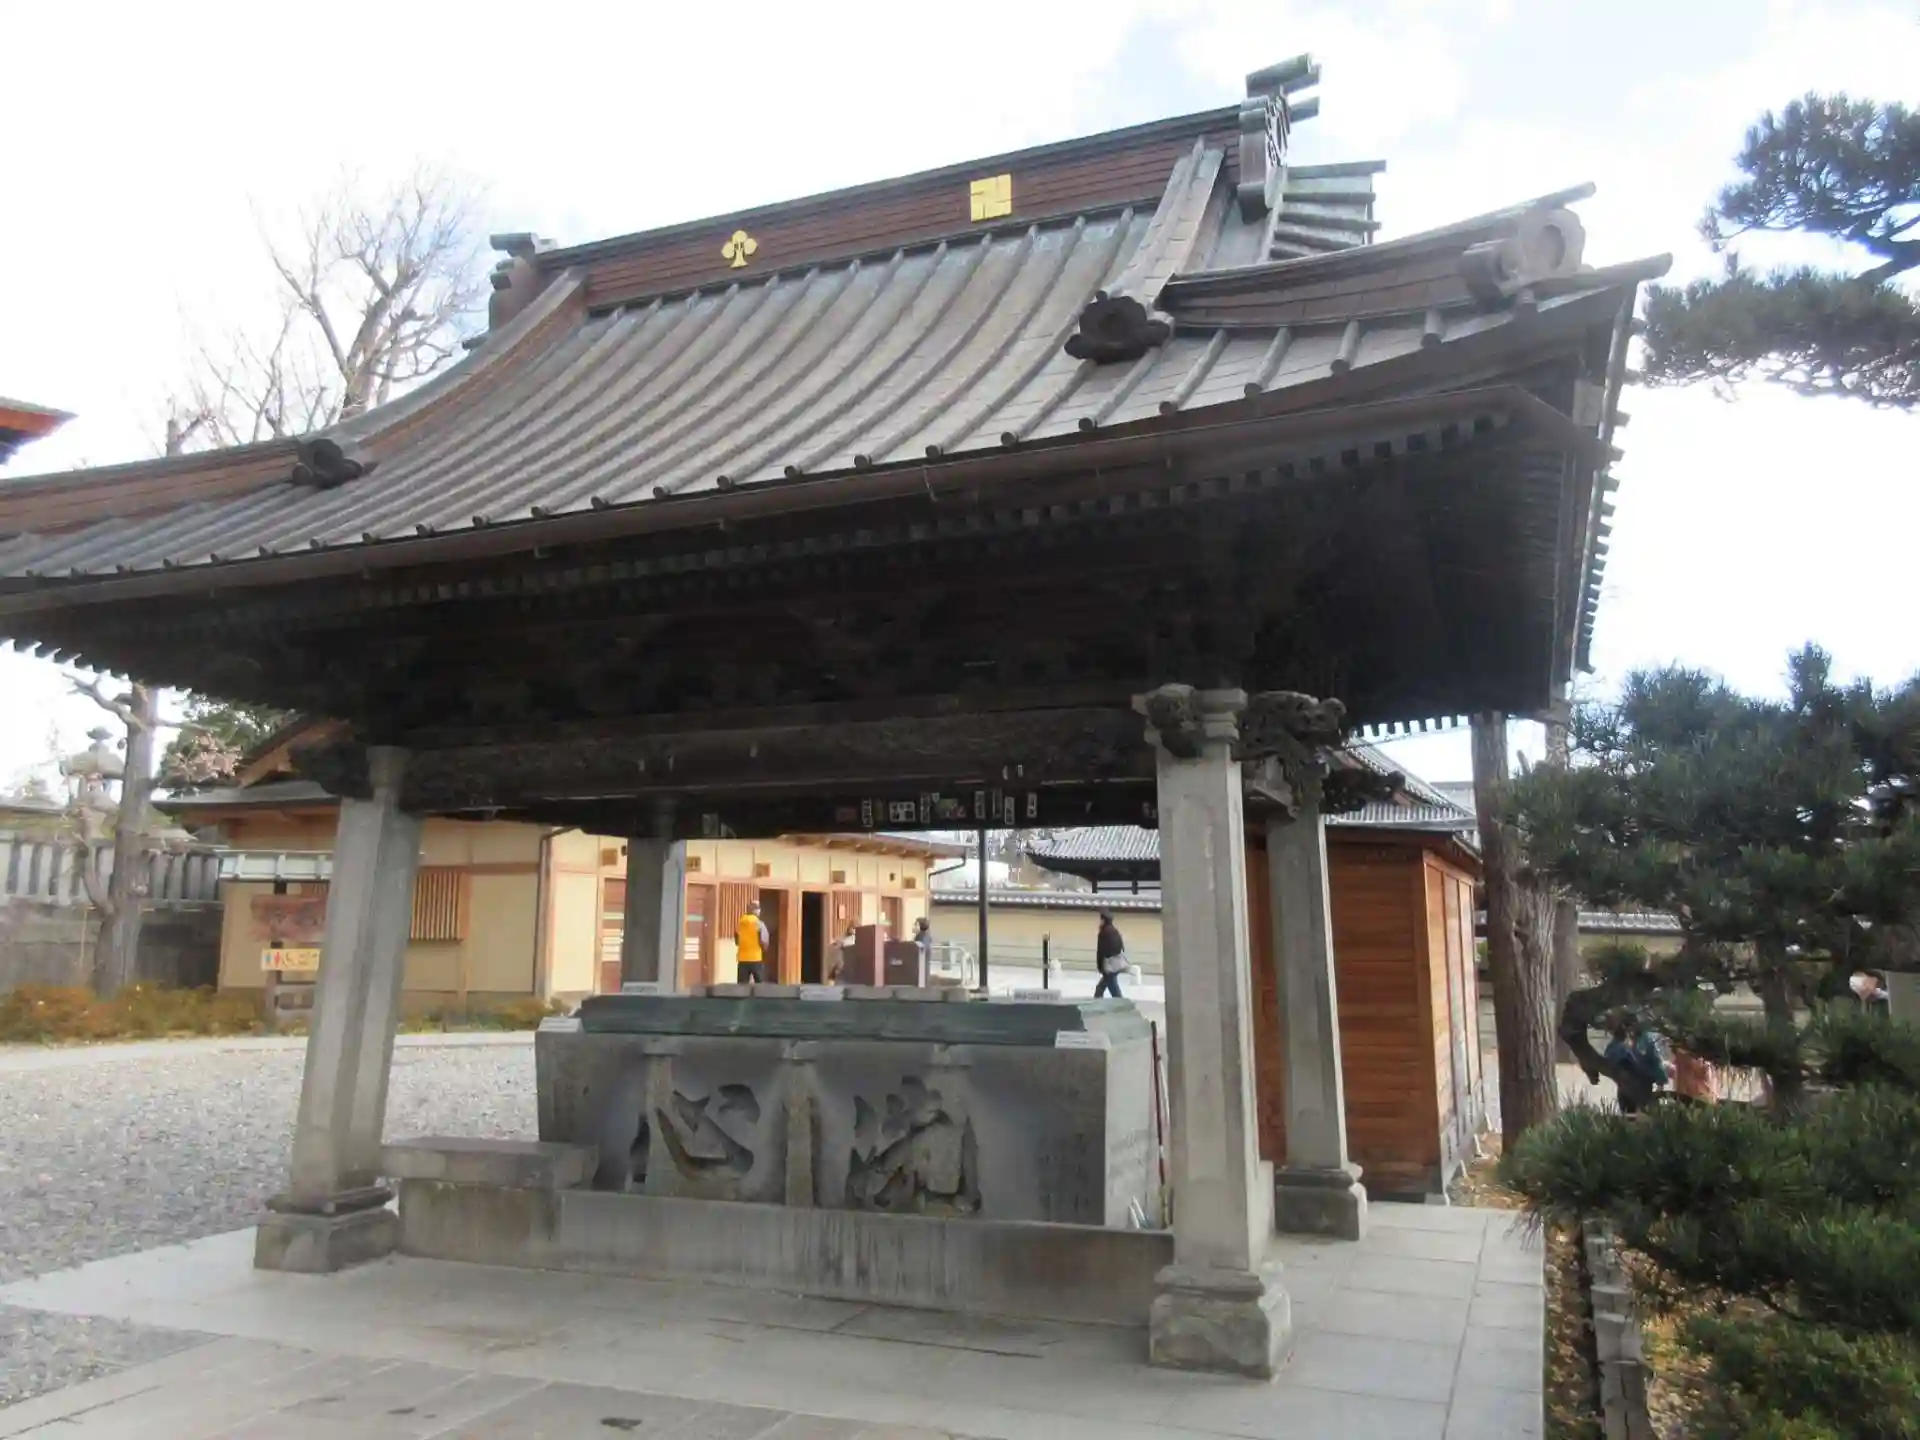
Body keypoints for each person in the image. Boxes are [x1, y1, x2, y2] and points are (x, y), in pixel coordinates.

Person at [1603, 1012, 1668, 1114]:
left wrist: (1660, 1083)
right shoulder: (1617, 1044)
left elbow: (1655, 1061)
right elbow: (1608, 1058)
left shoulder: (1646, 1041)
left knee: (1642, 1115)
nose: (1630, 1028)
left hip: (1643, 1086)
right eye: (1627, 1025)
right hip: (1625, 1088)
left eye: (1632, 1024)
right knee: (1628, 1115)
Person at [735, 900, 771, 985]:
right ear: (756, 911)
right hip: (755, 958)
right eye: (758, 909)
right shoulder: (759, 924)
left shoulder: (740, 924)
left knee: (742, 985)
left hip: (742, 959)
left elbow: (737, 941)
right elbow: (764, 941)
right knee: (759, 984)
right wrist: (764, 950)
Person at [1094, 911, 1127, 999]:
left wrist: (1100, 966)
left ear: (1103, 920)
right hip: (1117, 964)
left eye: (1101, 919)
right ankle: (1097, 1002)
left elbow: (1101, 951)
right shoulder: (1115, 931)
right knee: (1100, 988)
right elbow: (1121, 946)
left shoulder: (1103, 933)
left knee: (1113, 990)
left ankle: (1121, 1004)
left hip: (1109, 965)